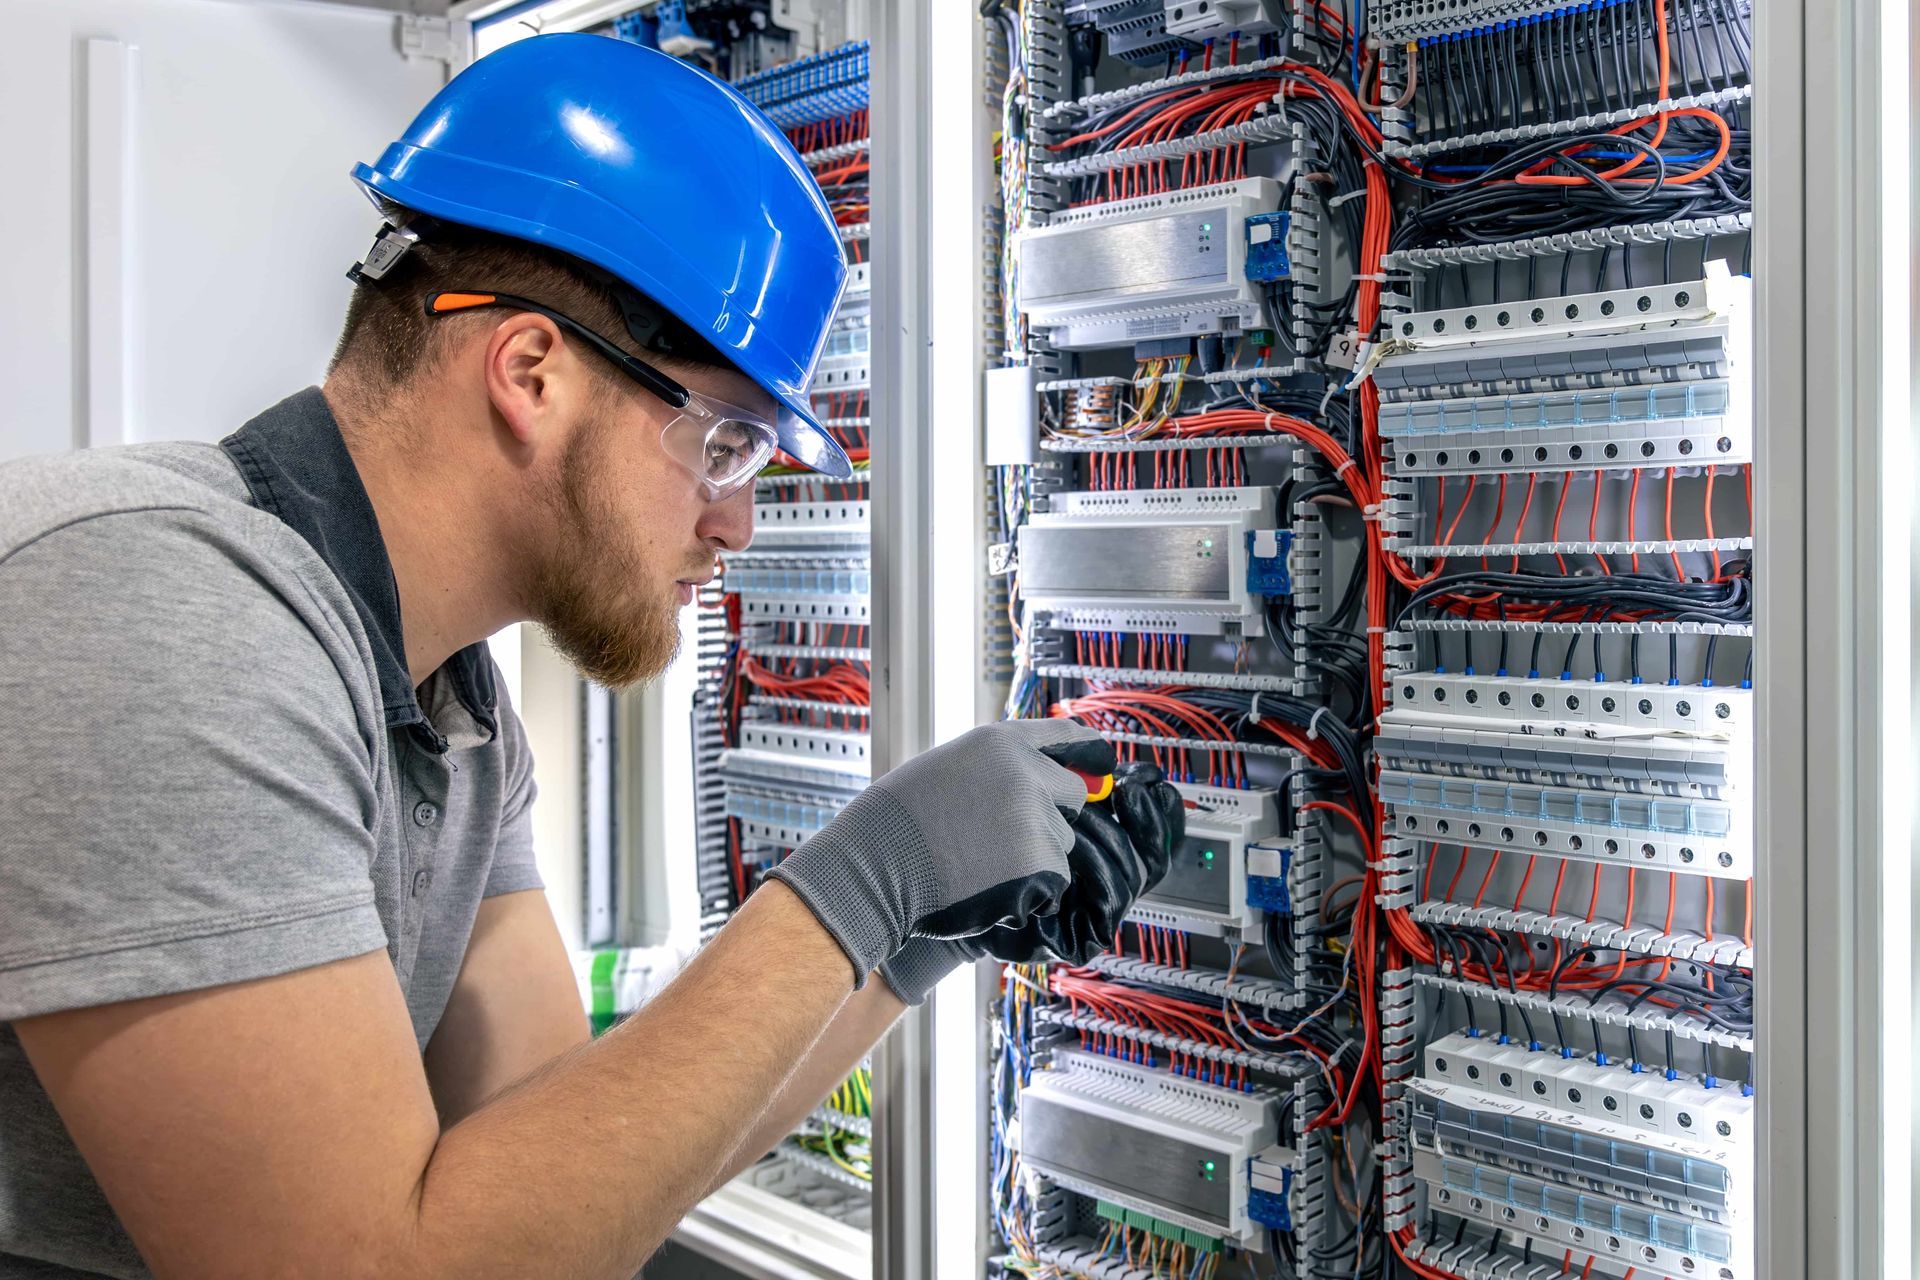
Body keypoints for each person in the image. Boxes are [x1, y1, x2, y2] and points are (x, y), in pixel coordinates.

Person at [0, 33, 1178, 1280]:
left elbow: (567, 1163)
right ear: (531, 371)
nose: (735, 522)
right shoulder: (160, 599)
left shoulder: (450, 705)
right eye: (724, 444)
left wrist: (917, 940)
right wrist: (872, 873)